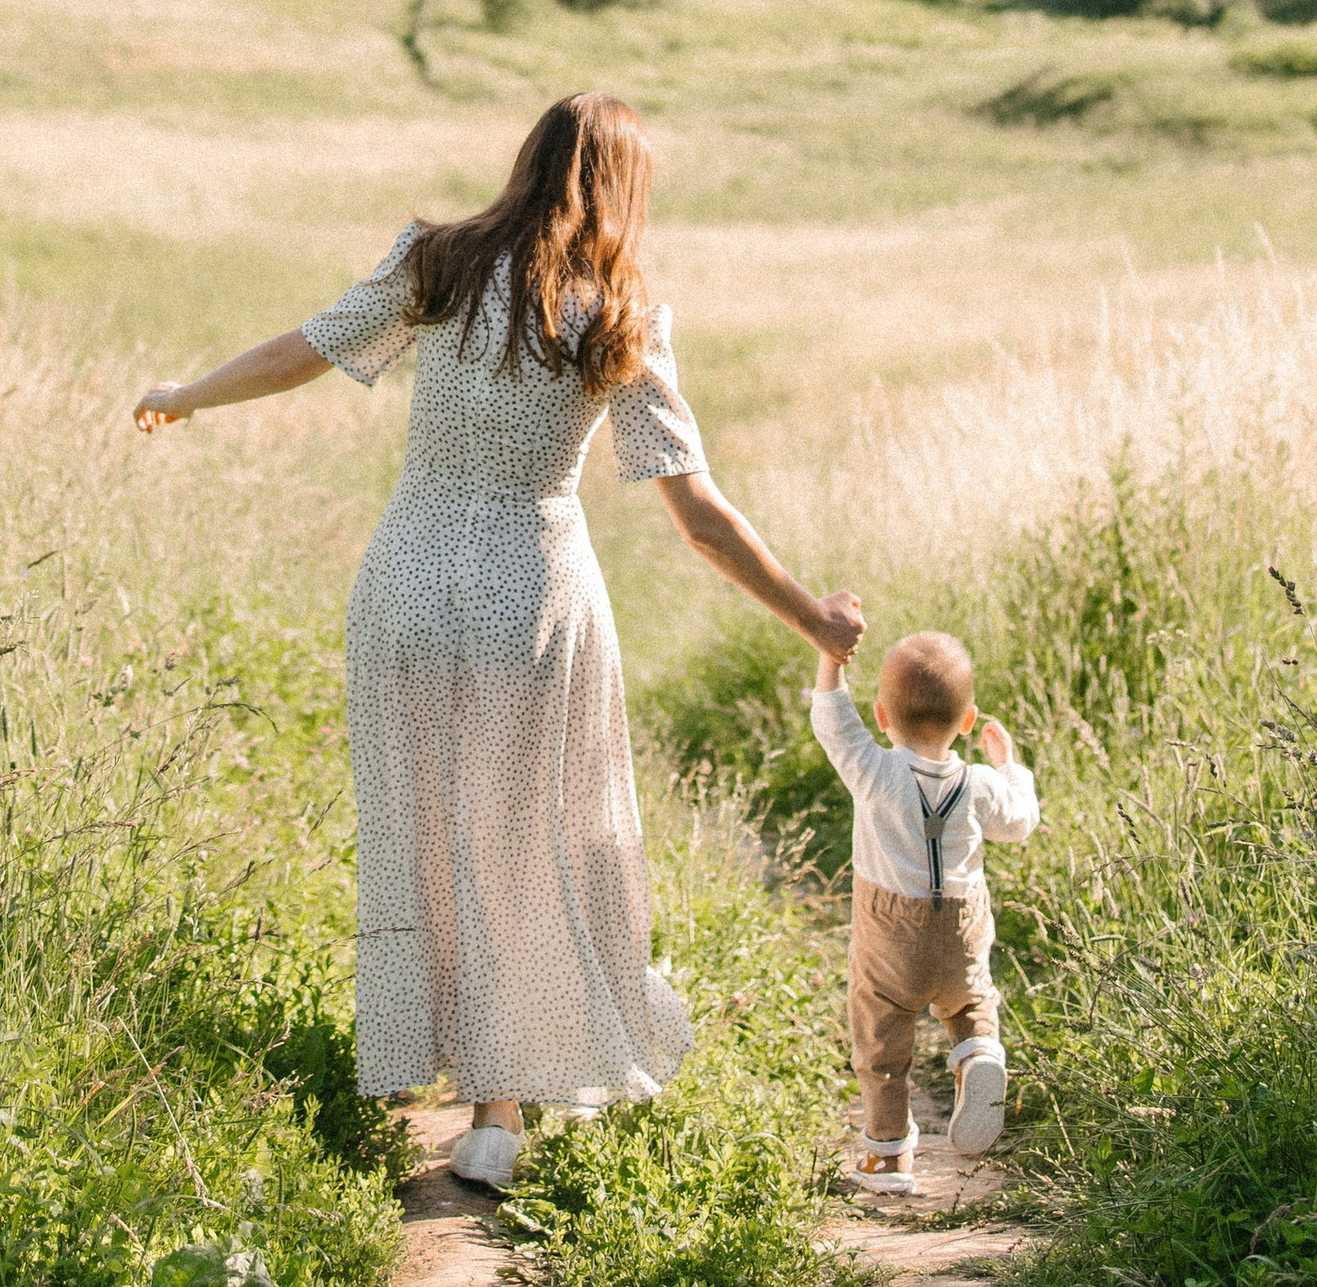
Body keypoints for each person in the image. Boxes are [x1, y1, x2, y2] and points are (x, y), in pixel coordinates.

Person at [135, 93, 863, 1191]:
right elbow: (700, 517)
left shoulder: (435, 263)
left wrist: (186, 395)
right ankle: (497, 1111)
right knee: (528, 843)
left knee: (422, 828)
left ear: (528, 162)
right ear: (624, 190)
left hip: (407, 589)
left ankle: (434, 1057)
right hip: (530, 601)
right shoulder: (618, 315)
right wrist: (813, 616)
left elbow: (302, 351)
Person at [809, 615, 1039, 1190]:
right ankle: (978, 1053)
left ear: (882, 717)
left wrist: (831, 656)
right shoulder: (979, 783)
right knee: (971, 1000)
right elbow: (1020, 821)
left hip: (891, 936)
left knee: (882, 1039)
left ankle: (888, 1156)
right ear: (968, 721)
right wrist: (1010, 766)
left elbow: (834, 724)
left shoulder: (874, 772)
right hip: (962, 928)